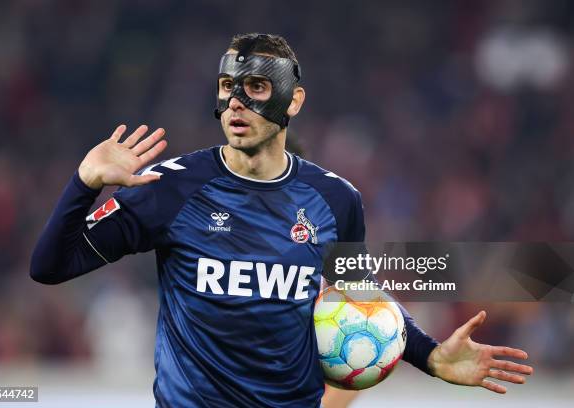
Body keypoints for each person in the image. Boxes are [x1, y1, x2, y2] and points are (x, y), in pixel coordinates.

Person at [30, 33, 533, 407]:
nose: (236, 102)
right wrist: (84, 182)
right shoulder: (170, 187)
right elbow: (50, 267)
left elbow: (359, 298)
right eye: (228, 86)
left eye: (255, 86)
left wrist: (430, 357)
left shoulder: (336, 199)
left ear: (293, 99)